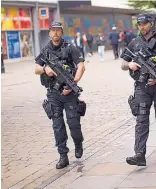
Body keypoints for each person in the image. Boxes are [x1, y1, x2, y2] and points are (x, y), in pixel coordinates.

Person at [120, 14, 156, 166]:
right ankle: (140, 154)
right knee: (141, 120)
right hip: (141, 88)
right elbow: (123, 64)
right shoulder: (134, 43)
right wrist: (129, 65)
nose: (142, 26)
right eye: (139, 24)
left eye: (144, 24)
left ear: (151, 24)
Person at [34, 22, 86, 169]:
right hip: (53, 94)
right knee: (57, 125)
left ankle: (78, 143)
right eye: (53, 31)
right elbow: (36, 68)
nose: (55, 33)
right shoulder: (45, 50)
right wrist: (45, 69)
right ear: (49, 33)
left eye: (58, 30)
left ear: (62, 32)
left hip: (70, 94)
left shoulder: (70, 48)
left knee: (73, 123)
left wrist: (73, 83)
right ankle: (63, 156)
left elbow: (81, 66)